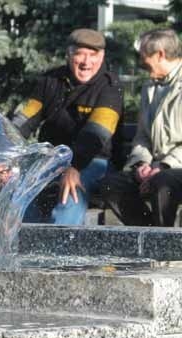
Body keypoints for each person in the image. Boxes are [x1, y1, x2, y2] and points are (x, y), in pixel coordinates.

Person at [12, 28, 123, 225]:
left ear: (102, 56)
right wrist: (6, 156)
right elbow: (24, 119)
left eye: (93, 55)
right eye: (79, 54)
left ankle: (62, 252)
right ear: (68, 54)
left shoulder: (111, 88)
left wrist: (74, 167)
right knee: (22, 193)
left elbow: (97, 134)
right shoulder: (50, 81)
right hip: (52, 161)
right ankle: (26, 251)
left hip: (95, 162)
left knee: (70, 194)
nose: (86, 62)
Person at [100, 28, 182, 227]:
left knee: (163, 184)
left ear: (160, 54)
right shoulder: (150, 87)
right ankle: (148, 237)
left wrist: (162, 166)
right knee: (112, 185)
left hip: (174, 168)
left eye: (144, 56)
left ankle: (166, 251)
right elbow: (143, 136)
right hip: (156, 168)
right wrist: (140, 166)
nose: (140, 62)